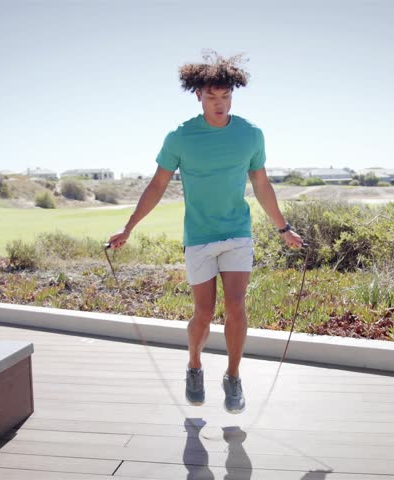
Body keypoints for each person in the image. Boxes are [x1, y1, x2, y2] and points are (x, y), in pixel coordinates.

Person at [108, 51, 302, 414]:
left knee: (236, 305)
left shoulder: (250, 134)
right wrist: (128, 227)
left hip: (237, 233)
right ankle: (194, 366)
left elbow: (261, 185)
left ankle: (233, 377)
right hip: (198, 236)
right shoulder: (180, 137)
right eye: (212, 96)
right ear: (198, 95)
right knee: (204, 312)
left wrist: (284, 229)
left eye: (226, 96)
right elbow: (157, 186)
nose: (219, 104)